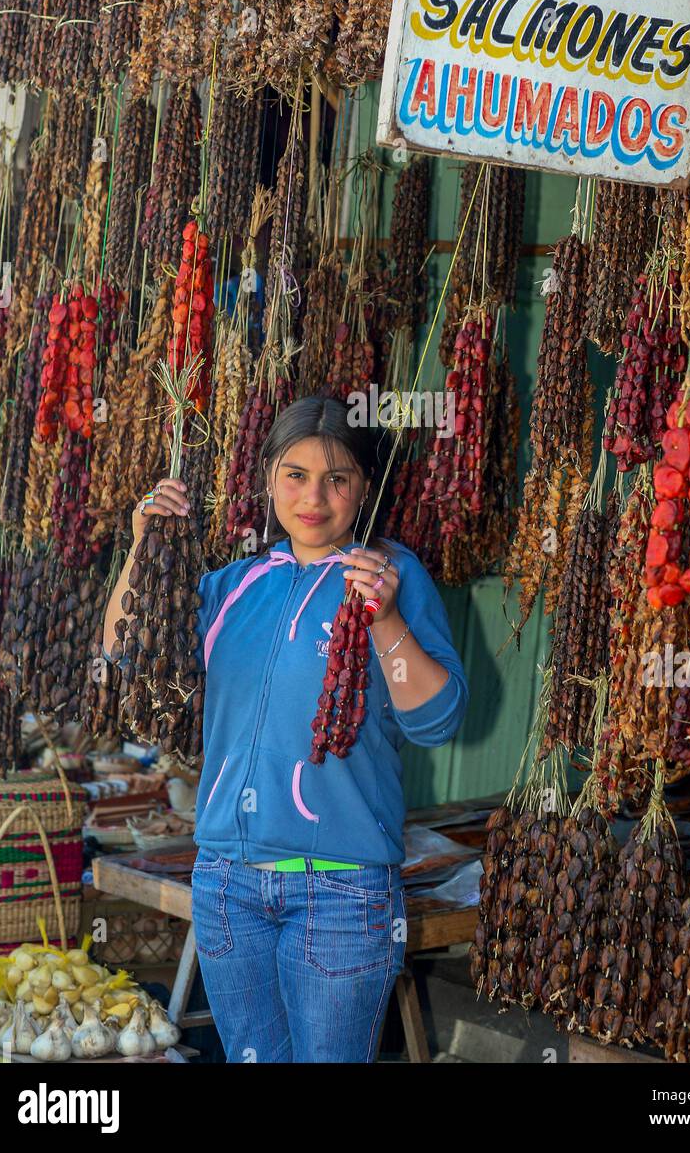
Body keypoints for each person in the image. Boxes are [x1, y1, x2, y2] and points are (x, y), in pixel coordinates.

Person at [101, 396, 469, 1062]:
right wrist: (142, 543)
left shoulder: (390, 575)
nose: (314, 498)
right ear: (269, 476)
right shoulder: (232, 586)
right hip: (227, 886)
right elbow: (127, 655)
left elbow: (437, 720)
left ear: (366, 486)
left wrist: (385, 619)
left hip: (341, 891)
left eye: (338, 478)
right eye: (295, 474)